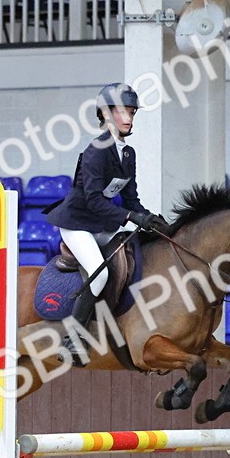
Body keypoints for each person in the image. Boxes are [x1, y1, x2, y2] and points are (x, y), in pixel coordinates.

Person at [45, 82, 168, 366]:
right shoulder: (96, 151)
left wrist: (149, 218)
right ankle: (71, 340)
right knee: (99, 274)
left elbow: (130, 199)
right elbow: (92, 199)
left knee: (137, 251)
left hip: (101, 223)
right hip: (77, 223)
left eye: (132, 113)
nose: (128, 118)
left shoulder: (128, 154)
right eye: (122, 112)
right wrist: (128, 218)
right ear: (105, 114)